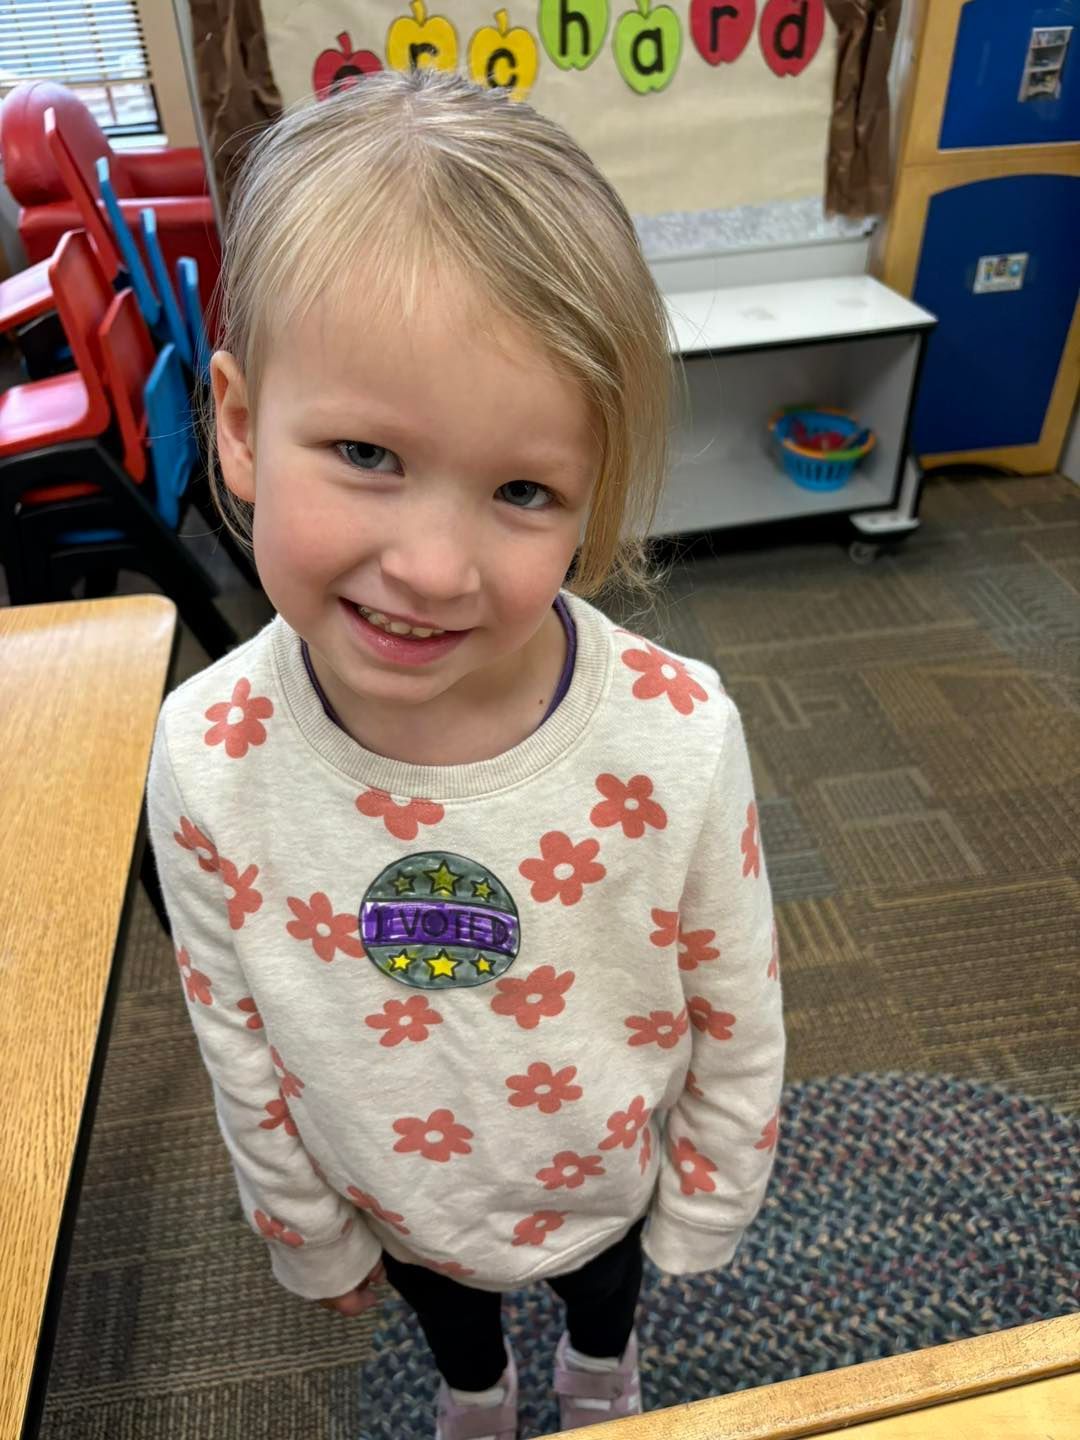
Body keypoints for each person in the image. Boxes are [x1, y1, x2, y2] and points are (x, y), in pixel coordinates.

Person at [146, 68, 785, 1440]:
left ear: (590, 497)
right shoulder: (208, 752)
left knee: (605, 1296)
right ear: (244, 427)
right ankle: (478, 1390)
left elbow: (737, 994)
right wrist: (307, 1226)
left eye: (522, 490)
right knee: (453, 1321)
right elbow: (233, 1027)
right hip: (397, 1190)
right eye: (368, 451)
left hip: (605, 1173)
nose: (433, 566)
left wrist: (713, 1189)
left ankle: (600, 1375)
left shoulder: (676, 736)